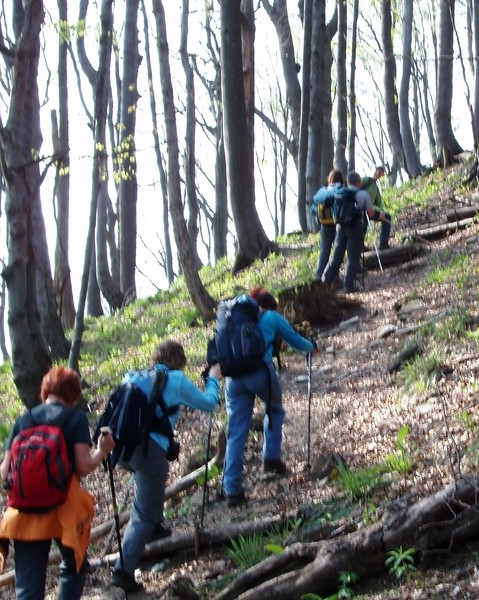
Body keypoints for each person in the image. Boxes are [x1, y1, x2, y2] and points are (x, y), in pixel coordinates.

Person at [0, 366, 116, 600]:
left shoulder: (23, 421)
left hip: (23, 511)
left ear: (45, 389)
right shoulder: (75, 419)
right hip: (63, 508)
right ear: (72, 395)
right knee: (75, 566)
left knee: (28, 588)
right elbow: (83, 466)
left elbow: (4, 471)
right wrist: (102, 451)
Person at [110, 340, 222, 593]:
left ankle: (155, 528)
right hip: (149, 451)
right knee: (143, 513)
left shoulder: (135, 377)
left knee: (147, 495)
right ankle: (122, 571)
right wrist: (213, 378)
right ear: (178, 359)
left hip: (123, 451)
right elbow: (209, 403)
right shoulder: (175, 379)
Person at [222, 286, 316, 506]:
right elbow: (294, 339)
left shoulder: (233, 320)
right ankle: (271, 458)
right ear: (270, 305)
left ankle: (231, 489)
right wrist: (312, 346)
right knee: (274, 410)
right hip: (259, 372)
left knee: (236, 430)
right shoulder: (272, 316)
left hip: (233, 379)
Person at [322, 170, 390, 293]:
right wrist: (380, 216)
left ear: (348, 182)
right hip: (355, 228)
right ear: (359, 182)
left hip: (340, 227)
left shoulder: (340, 193)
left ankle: (324, 283)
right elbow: (370, 213)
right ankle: (348, 286)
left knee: (336, 257)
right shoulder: (363, 194)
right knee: (353, 257)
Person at [312, 169, 345, 280]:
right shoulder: (339, 190)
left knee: (325, 251)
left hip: (324, 225)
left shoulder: (323, 191)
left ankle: (318, 276)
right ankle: (334, 277)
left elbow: (314, 208)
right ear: (341, 179)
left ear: (330, 179)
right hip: (337, 224)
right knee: (336, 252)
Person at [360, 166, 392, 249]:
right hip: (361, 208)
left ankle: (383, 244)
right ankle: (360, 246)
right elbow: (356, 187)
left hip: (372, 210)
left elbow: (379, 203)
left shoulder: (376, 189)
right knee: (363, 222)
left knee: (387, 217)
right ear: (375, 171)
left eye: (381, 173)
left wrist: (381, 212)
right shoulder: (366, 180)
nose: (379, 174)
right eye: (379, 171)